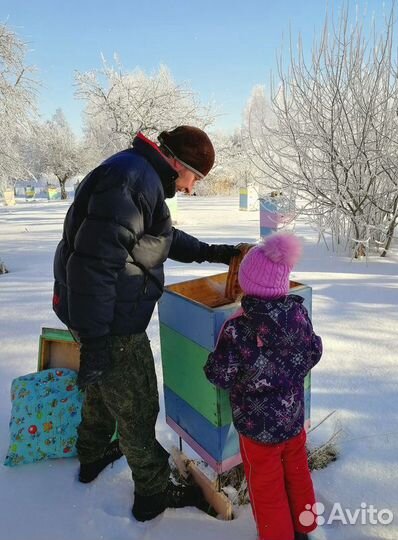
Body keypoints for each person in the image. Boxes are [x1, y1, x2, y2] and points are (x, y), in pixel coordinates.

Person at [52, 125, 239, 521]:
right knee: (137, 405)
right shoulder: (133, 181)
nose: (191, 188)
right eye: (195, 178)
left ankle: (93, 452)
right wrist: (98, 340)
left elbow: (161, 238)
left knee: (107, 389)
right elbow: (95, 264)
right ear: (178, 163)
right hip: (112, 320)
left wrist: (218, 253)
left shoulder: (137, 174)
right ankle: (152, 494)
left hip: (95, 313)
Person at [204, 233, 323, 540]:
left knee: (266, 486)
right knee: (298, 472)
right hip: (293, 418)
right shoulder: (298, 314)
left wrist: (210, 363)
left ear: (247, 284)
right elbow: (313, 352)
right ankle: (305, 527)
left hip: (257, 429)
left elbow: (221, 375)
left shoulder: (237, 327)